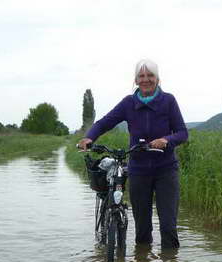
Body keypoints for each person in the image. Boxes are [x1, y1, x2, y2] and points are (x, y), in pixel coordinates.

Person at [78, 59, 188, 249]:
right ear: (136, 80)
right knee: (142, 229)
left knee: (168, 227)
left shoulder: (168, 101)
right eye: (141, 76)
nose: (146, 80)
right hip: (139, 171)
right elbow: (104, 122)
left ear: (158, 79)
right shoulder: (129, 103)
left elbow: (182, 132)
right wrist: (89, 137)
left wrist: (167, 140)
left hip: (166, 170)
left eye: (150, 76)